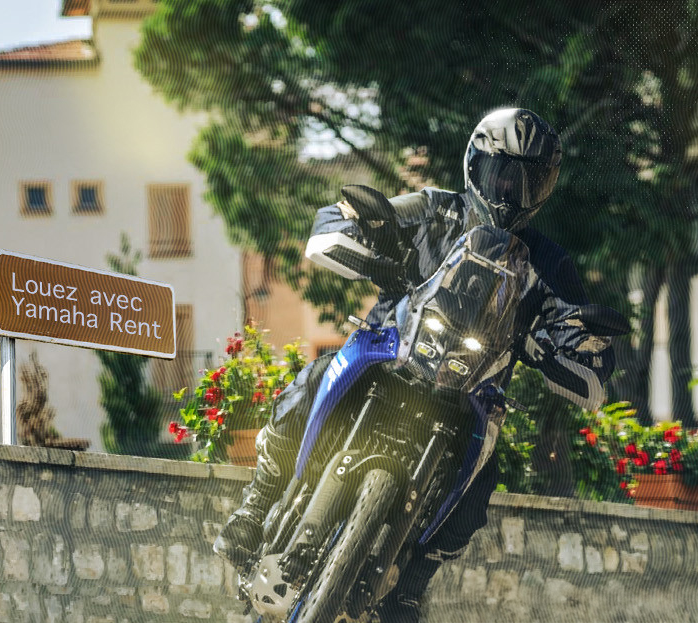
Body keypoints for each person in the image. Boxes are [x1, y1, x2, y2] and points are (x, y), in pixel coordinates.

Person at [213, 108, 615, 622]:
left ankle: (409, 584)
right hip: (392, 349)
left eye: (529, 181)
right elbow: (343, 218)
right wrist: (370, 238)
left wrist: (573, 346)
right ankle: (257, 503)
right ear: (476, 164)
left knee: (480, 482)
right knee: (313, 378)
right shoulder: (434, 210)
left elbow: (579, 331)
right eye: (504, 174)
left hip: (472, 388)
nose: (512, 191)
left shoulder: (549, 262)